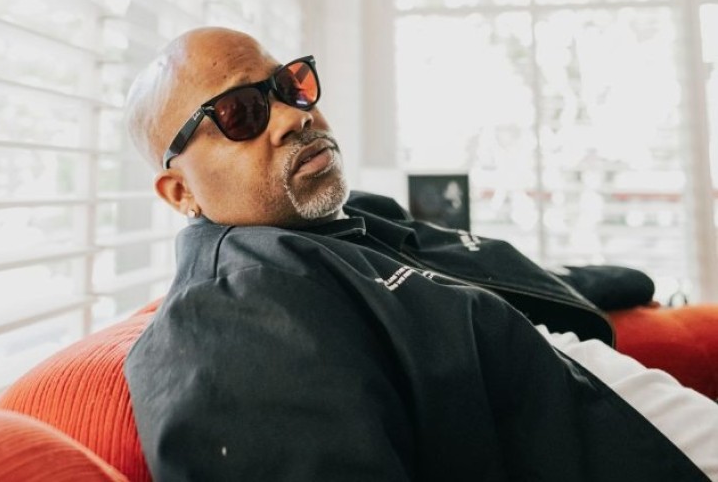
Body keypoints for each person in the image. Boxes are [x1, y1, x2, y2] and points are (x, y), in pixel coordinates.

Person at [123, 27, 717, 481]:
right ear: (180, 192)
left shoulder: (349, 220)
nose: (294, 116)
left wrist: (627, 283)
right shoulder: (236, 308)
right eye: (239, 114)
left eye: (290, 85)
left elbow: (477, 274)